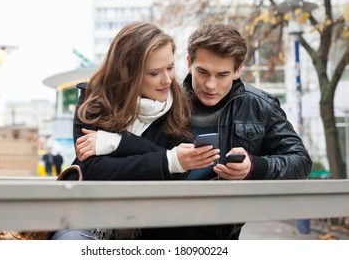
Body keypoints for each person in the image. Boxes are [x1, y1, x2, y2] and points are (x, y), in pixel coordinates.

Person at [75, 23, 313, 239]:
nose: (211, 85)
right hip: (156, 231)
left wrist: (254, 167)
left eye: (222, 75)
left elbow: (300, 161)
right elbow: (143, 158)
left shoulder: (260, 106)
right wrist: (118, 142)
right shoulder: (165, 101)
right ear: (188, 63)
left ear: (238, 70)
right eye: (203, 72)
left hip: (216, 235)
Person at [51, 21, 219, 240]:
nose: (167, 79)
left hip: (150, 227)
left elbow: (177, 177)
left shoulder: (181, 105)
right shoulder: (93, 102)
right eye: (154, 73)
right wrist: (167, 160)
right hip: (86, 220)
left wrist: (115, 143)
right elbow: (94, 171)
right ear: (128, 73)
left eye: (170, 67)